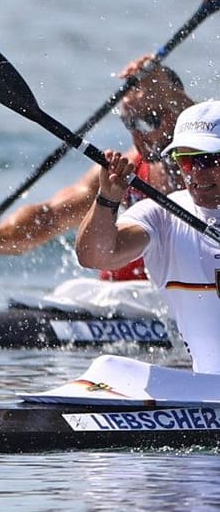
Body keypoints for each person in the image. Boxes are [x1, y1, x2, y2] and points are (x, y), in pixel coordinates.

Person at [0, 57, 193, 291]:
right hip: (120, 301)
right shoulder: (120, 172)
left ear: (177, 116)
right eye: (129, 123)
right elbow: (49, 216)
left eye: (148, 121)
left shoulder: (208, 173)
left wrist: (172, 96)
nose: (137, 134)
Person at [76, 100, 220, 371]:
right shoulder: (162, 215)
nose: (196, 173)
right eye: (186, 161)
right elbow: (95, 256)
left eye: (208, 159)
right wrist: (108, 198)